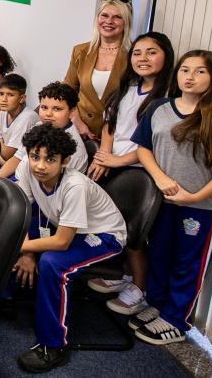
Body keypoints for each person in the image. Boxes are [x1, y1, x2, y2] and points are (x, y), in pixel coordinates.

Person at [128, 50, 212, 345]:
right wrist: (161, 178)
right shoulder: (159, 107)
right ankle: (157, 303)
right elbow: (143, 149)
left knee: (187, 262)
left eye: (199, 71)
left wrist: (195, 196)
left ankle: (175, 319)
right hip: (160, 201)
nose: (189, 77)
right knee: (158, 253)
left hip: (199, 207)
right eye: (184, 70)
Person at [12, 123, 127, 372]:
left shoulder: (74, 185)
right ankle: (4, 297)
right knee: (13, 231)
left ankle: (52, 345)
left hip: (103, 235)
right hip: (64, 226)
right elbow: (23, 213)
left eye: (50, 159)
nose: (40, 165)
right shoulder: (27, 169)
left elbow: (62, 242)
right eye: (35, 157)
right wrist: (28, 251)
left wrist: (25, 247)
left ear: (65, 161)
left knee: (53, 263)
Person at [86, 32, 174, 316]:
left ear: (166, 56)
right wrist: (104, 156)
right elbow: (109, 125)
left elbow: (155, 142)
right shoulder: (128, 87)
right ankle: (118, 274)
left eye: (151, 52)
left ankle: (139, 287)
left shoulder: (168, 96)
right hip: (115, 163)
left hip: (140, 171)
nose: (143, 58)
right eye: (137, 53)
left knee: (135, 235)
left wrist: (119, 160)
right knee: (111, 224)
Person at [64, 0, 133, 139]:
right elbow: (67, 90)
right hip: (78, 131)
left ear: (126, 23)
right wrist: (77, 121)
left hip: (116, 134)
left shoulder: (133, 56)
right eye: (105, 15)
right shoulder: (80, 51)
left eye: (117, 17)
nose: (109, 21)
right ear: (97, 19)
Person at [16, 81, 90, 173]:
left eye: (57, 109)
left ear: (72, 112)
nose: (48, 114)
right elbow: (17, 158)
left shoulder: (74, 149)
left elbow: (50, 182)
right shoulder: (38, 126)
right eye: (44, 107)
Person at [0, 74, 40, 179]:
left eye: (10, 95)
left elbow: (7, 153)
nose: (4, 99)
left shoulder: (27, 117)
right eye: (1, 93)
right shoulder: (3, 112)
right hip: (2, 161)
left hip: (17, 167)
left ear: (22, 98)